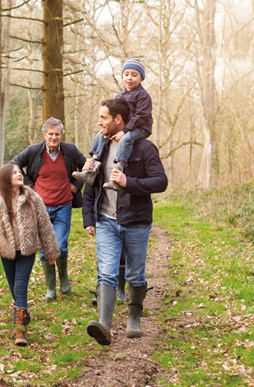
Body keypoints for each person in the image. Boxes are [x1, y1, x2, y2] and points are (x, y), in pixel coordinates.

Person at [82, 98, 168, 346]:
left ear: (118, 119)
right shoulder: (100, 146)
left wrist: (128, 183)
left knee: (134, 274)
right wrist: (89, 216)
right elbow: (91, 185)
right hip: (106, 221)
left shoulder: (144, 148)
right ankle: (104, 326)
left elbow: (160, 182)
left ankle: (134, 318)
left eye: (104, 118)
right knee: (106, 273)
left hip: (136, 221)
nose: (99, 122)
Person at [0, 164, 60, 346]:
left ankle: (20, 331)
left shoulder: (32, 198)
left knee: (20, 287)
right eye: (14, 173)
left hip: (27, 251)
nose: (19, 175)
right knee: (14, 290)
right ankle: (23, 312)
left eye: (20, 172)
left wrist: (51, 250)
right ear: (4, 179)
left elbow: (45, 225)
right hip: (7, 252)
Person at [11, 117, 86, 301]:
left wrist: (76, 185)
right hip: (39, 208)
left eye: (57, 134)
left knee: (60, 245)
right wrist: (29, 186)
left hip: (63, 205)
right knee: (45, 248)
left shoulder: (70, 150)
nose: (54, 137)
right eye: (50, 134)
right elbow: (14, 163)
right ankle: (51, 288)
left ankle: (64, 278)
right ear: (44, 134)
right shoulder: (34, 151)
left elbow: (87, 166)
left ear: (62, 135)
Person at [73, 58, 153, 192]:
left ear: (141, 79)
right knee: (101, 134)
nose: (129, 78)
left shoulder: (143, 96)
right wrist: (113, 128)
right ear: (122, 76)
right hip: (125, 127)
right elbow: (116, 114)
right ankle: (92, 168)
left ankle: (118, 169)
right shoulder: (120, 95)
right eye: (126, 74)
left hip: (140, 128)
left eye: (134, 75)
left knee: (126, 139)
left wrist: (125, 131)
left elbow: (140, 116)